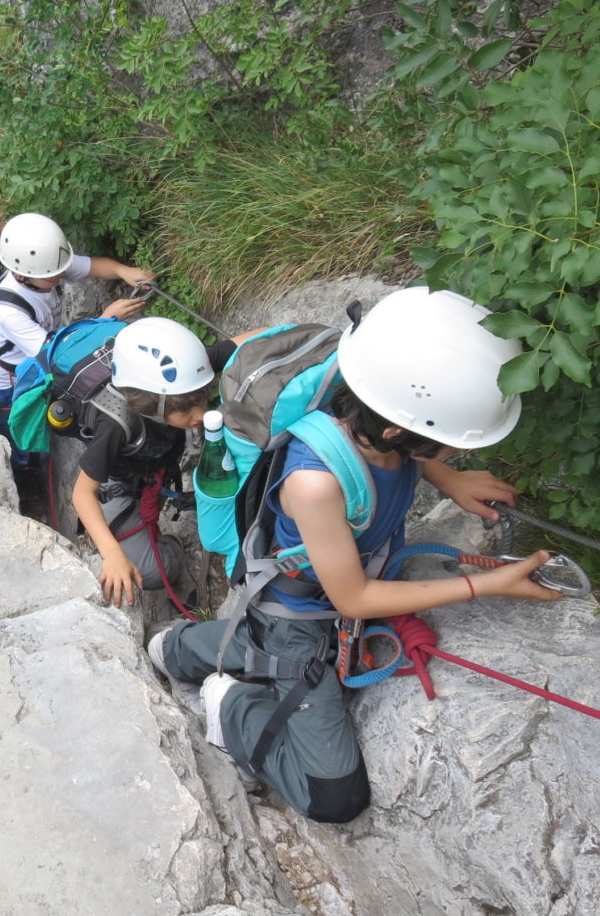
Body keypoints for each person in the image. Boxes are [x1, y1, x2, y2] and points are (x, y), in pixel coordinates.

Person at [147, 287, 561, 824]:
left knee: (254, 642)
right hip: (303, 618)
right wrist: (488, 584)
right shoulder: (316, 482)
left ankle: (179, 649)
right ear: (395, 431)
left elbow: (402, 449)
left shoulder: (366, 405)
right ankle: (231, 706)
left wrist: (449, 477)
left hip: (314, 601)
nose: (454, 451)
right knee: (334, 799)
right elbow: (354, 597)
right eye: (449, 446)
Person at [70, 316, 255, 606]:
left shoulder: (181, 378)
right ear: (152, 406)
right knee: (155, 573)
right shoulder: (116, 425)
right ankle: (172, 549)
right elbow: (82, 494)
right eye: (187, 410)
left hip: (150, 466)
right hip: (117, 481)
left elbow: (247, 341)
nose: (200, 414)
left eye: (201, 399)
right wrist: (112, 554)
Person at [0, 213, 151, 459]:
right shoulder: (9, 312)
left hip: (32, 361)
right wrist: (106, 320)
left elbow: (94, 266)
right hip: (3, 384)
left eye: (61, 269)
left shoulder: (46, 267)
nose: (60, 276)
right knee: (20, 435)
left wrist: (124, 270)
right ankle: (24, 467)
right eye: (53, 275)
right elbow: (56, 352)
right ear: (21, 275)